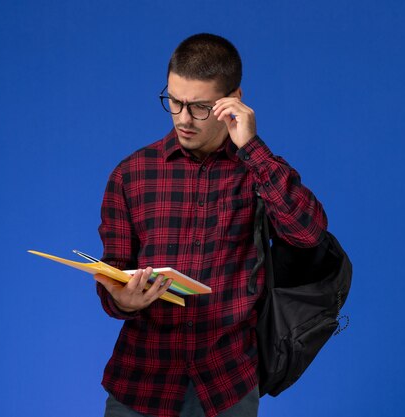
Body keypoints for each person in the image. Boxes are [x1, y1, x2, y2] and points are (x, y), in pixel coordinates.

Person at [95, 33, 328, 417]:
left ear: (232, 100)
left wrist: (252, 148)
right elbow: (113, 274)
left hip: (226, 385)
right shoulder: (131, 174)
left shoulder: (258, 171)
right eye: (174, 101)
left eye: (199, 107)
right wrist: (121, 299)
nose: (183, 119)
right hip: (141, 381)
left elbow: (307, 233)